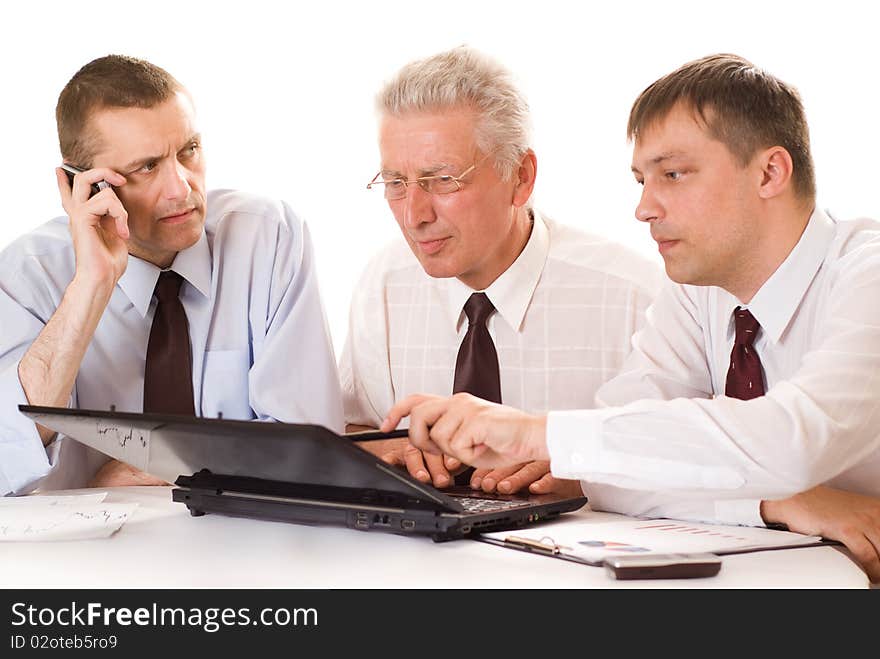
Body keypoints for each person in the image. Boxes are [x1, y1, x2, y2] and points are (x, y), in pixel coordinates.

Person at [382, 54, 880, 581]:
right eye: (642, 179)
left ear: (770, 172)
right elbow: (610, 473)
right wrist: (771, 504)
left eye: (673, 174)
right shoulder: (697, 290)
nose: (644, 208)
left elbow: (794, 440)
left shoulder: (865, 276)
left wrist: (535, 434)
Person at [0, 55, 343, 496]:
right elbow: (7, 461)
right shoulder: (27, 275)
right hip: (82, 558)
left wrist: (180, 471)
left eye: (189, 151)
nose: (182, 188)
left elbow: (312, 447)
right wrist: (91, 285)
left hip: (245, 547)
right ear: (79, 183)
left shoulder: (268, 237)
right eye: (147, 167)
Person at [340, 46, 662, 495]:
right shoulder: (383, 285)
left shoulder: (635, 298)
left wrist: (585, 475)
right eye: (396, 183)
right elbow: (356, 426)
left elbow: (687, 462)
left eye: (442, 180)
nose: (414, 215)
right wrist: (389, 452)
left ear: (520, 177)